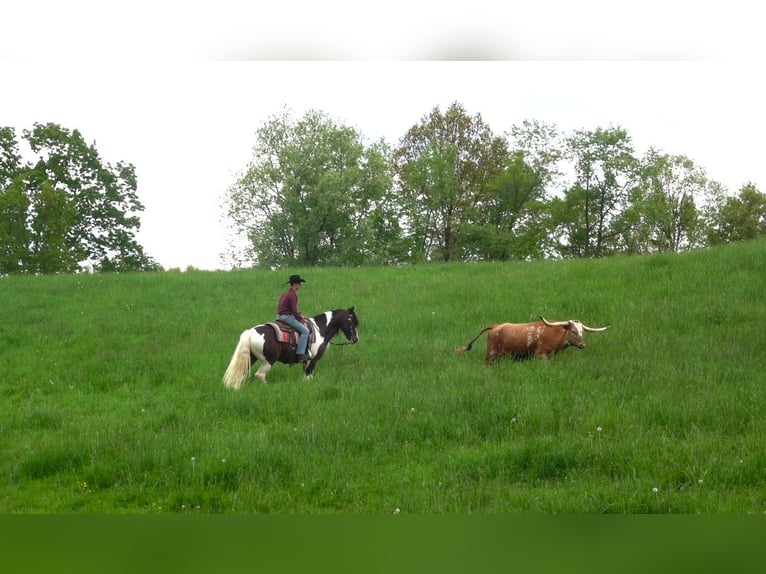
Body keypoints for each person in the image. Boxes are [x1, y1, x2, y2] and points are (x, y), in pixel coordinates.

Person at [277, 274, 311, 362]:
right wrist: (301, 317)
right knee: (305, 331)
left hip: (280, 316)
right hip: (287, 317)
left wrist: (299, 314)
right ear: (295, 284)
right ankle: (300, 354)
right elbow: (294, 311)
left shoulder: (285, 294)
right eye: (299, 283)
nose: (300, 285)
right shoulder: (292, 295)